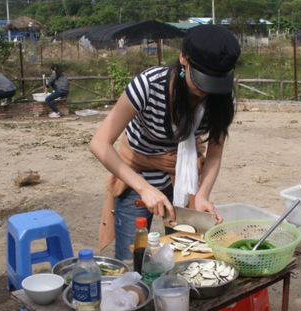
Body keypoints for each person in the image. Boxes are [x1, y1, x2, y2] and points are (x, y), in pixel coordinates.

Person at [90, 24, 241, 261]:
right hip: (136, 171)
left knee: (187, 254)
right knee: (133, 257)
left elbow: (214, 154)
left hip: (183, 174)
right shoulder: (148, 85)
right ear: (183, 59)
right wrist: (144, 188)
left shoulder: (223, 97)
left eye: (215, 82)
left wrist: (202, 194)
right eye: (202, 80)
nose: (207, 90)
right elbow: (100, 143)